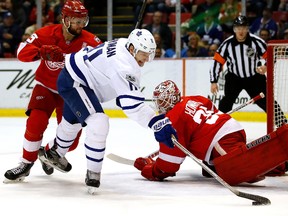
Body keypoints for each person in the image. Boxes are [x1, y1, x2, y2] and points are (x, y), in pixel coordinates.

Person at [37, 28, 178, 194]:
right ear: (132, 49)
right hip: (75, 82)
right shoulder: (123, 65)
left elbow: (112, 74)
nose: (147, 59)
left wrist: (124, 91)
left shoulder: (124, 43)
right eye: (144, 53)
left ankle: (53, 153)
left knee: (72, 124)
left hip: (77, 78)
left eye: (150, 54)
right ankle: (93, 174)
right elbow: (133, 106)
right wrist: (156, 123)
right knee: (98, 122)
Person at [4, 0, 102, 182]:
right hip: (46, 87)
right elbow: (21, 52)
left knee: (71, 142)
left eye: (83, 21)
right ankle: (25, 163)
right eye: (76, 21)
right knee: (35, 122)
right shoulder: (46, 33)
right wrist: (41, 52)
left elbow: (104, 63)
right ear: (64, 19)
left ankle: (49, 152)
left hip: (72, 92)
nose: (80, 26)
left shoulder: (90, 41)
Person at [134, 80, 288, 185]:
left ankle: (283, 161)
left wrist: (149, 169)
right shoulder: (194, 98)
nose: (159, 105)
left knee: (237, 171)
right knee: (222, 167)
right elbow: (211, 113)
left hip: (221, 140)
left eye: (161, 101)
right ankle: (216, 162)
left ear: (169, 99)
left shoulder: (172, 119)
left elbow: (168, 166)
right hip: (229, 131)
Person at [209, 15, 287, 176]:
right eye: (238, 28)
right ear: (234, 29)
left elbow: (270, 56)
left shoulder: (256, 42)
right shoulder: (227, 44)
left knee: (269, 103)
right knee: (225, 103)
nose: (241, 31)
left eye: (243, 27)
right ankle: (216, 130)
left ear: (247, 28)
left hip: (254, 78)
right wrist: (213, 81)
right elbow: (217, 61)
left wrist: (265, 67)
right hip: (234, 78)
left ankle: (283, 125)